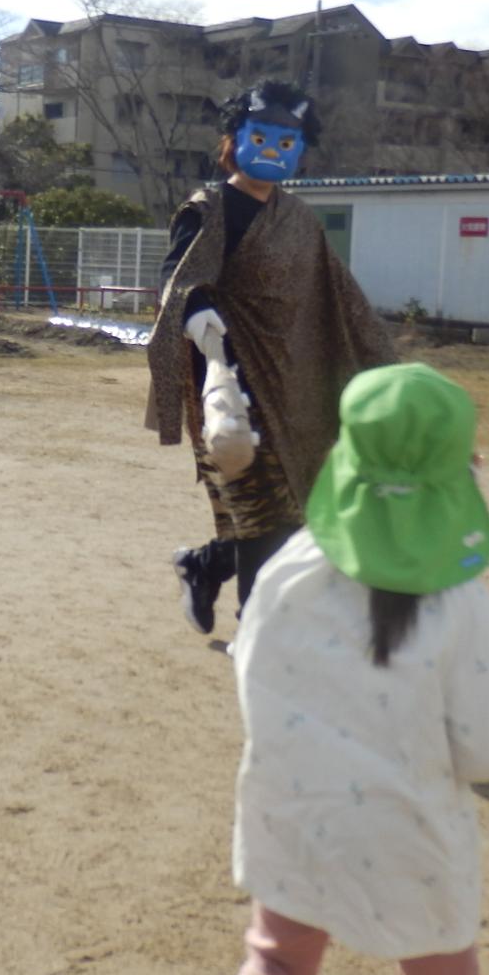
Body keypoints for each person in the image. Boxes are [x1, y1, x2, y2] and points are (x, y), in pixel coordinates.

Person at [195, 363, 489, 975]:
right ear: (460, 475)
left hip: (294, 810)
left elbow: (251, 671)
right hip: (412, 835)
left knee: (274, 967)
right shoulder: (460, 605)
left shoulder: (287, 570)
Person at [147, 80, 396, 640]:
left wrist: (393, 377)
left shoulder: (302, 221)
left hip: (296, 388)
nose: (274, 152)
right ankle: (257, 633)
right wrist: (198, 314)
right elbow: (179, 278)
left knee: (291, 516)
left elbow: (343, 301)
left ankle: (206, 565)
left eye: (288, 143)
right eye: (261, 137)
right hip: (229, 387)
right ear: (233, 141)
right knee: (265, 517)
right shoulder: (208, 208)